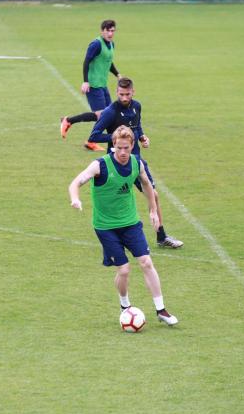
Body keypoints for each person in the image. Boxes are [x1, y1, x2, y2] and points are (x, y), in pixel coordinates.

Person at [69, 125, 179, 326]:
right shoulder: (100, 165)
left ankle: (161, 310)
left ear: (132, 146)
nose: (122, 152)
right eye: (119, 148)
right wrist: (75, 199)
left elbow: (146, 185)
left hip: (130, 223)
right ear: (113, 145)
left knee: (146, 262)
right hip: (105, 227)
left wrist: (153, 210)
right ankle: (125, 305)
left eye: (126, 148)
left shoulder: (137, 163)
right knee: (125, 269)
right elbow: (76, 182)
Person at [88, 77, 184, 249]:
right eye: (121, 94)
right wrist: (117, 138)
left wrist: (141, 137)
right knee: (117, 199)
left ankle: (161, 236)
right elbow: (93, 136)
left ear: (133, 92)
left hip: (136, 161)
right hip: (116, 164)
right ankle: (113, 235)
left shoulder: (137, 106)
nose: (124, 98)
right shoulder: (110, 112)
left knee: (153, 195)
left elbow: (137, 125)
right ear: (116, 92)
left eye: (128, 94)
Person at [60, 19, 121, 151]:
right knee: (102, 115)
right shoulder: (96, 44)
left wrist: (117, 75)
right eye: (108, 31)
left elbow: (108, 61)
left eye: (112, 31)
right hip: (93, 85)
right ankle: (69, 121)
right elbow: (86, 61)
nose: (110, 33)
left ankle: (92, 141)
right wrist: (85, 81)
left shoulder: (111, 45)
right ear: (102, 31)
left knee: (109, 114)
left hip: (103, 85)